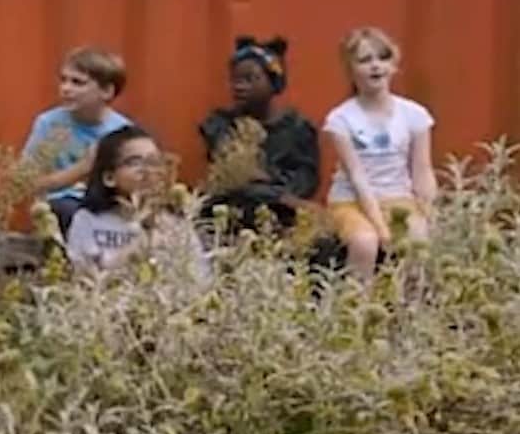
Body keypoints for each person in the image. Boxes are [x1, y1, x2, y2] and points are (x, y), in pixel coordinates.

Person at [322, 27, 436, 278]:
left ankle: (411, 310)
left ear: (394, 65)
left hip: (398, 198)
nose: (376, 66)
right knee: (365, 242)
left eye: (383, 58)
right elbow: (357, 177)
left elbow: (422, 169)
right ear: (350, 70)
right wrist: (381, 227)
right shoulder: (341, 119)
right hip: (352, 201)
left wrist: (427, 212)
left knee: (417, 242)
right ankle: (356, 308)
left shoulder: (414, 114)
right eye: (365, 60)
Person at [198, 36, 320, 236]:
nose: (239, 86)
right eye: (235, 80)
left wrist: (273, 191)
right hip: (231, 212)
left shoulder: (297, 129)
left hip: (283, 216)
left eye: (250, 79)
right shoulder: (221, 125)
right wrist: (274, 191)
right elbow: (234, 179)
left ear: (274, 83)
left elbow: (305, 179)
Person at [66, 127, 209, 279]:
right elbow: (83, 279)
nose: (147, 171)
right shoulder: (88, 220)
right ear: (109, 178)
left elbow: (200, 277)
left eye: (154, 162)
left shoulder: (177, 222)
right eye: (135, 162)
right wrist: (138, 248)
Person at [22, 47, 134, 234]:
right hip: (61, 203)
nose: (66, 89)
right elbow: (26, 183)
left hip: (109, 205)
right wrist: (80, 169)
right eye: (63, 80)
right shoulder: (49, 124)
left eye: (77, 83)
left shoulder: (123, 131)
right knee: (73, 214)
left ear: (106, 91)